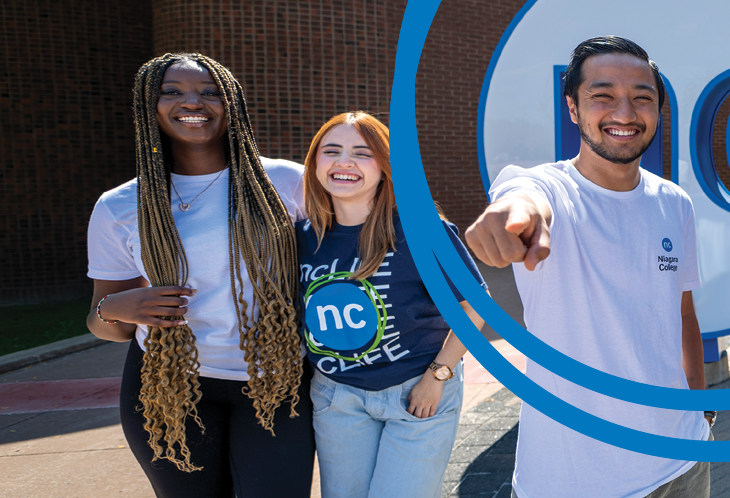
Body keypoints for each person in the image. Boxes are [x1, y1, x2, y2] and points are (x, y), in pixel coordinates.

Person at [464, 36, 712, 498]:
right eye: (603, 96)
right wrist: (518, 216)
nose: (624, 112)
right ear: (573, 108)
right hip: (572, 480)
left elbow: (682, 314)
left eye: (642, 98)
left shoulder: (674, 203)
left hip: (684, 462)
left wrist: (697, 411)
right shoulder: (548, 188)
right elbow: (523, 197)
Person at [85, 53, 314, 497]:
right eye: (172, 91)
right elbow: (102, 324)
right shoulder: (118, 206)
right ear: (148, 106)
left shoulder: (288, 183)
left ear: (232, 104)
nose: (194, 101)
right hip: (168, 385)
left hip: (276, 381)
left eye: (210, 92)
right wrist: (113, 309)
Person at [298, 111, 489, 498]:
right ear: (315, 163)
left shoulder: (420, 230)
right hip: (338, 397)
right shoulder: (301, 237)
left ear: (385, 167)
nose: (344, 162)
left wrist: (438, 377)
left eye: (362, 153)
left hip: (416, 392)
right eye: (331, 150)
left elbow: (476, 306)